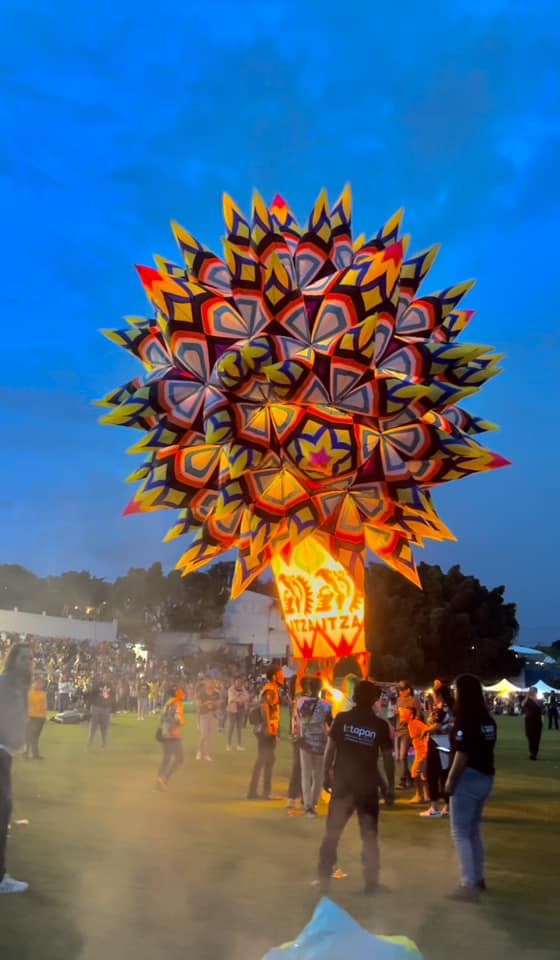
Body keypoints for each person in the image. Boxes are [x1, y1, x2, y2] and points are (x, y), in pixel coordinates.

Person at [318, 680, 394, 895]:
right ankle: (372, 884)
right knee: (369, 835)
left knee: (332, 832)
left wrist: (326, 774)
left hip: (343, 784)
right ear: (374, 699)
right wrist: (389, 786)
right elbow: (387, 758)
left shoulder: (342, 719)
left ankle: (323, 878)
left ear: (354, 696)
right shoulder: (379, 725)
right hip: (367, 787)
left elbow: (330, 749)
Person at [446, 673, 497, 901]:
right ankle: (478, 877)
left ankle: (468, 883)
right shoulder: (487, 720)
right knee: (473, 830)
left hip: (469, 777)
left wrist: (450, 781)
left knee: (460, 832)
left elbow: (462, 754)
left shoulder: (465, 720)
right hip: (486, 777)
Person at [0, 642, 33, 894]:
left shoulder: (19, 685)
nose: (28, 663)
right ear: (13, 660)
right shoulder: (5, 683)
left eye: (31, 659)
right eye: (23, 658)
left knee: (5, 811)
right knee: (2, 813)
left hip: (6, 752)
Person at [296, 676, 333, 817]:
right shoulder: (326, 705)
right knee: (318, 776)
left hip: (304, 742)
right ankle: (313, 805)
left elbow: (299, 721)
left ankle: (307, 806)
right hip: (320, 743)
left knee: (305, 775)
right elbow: (331, 723)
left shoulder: (300, 703)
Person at [421, 684, 455, 818]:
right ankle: (447, 806)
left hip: (438, 743)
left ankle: (435, 807)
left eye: (434, 695)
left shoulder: (443, 707)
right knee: (444, 774)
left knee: (433, 775)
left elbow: (437, 724)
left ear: (439, 695)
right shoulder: (448, 707)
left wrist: (425, 730)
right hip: (445, 742)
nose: (433, 698)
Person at [247, 686, 280, 801]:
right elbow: (268, 722)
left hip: (263, 736)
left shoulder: (265, 705)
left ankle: (253, 792)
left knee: (262, 763)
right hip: (266, 737)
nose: (270, 697)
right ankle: (265, 792)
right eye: (269, 695)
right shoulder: (265, 706)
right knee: (267, 763)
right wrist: (274, 735)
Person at [156, 688, 186, 790]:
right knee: (178, 759)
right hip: (172, 734)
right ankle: (163, 779)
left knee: (167, 759)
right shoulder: (176, 704)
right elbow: (177, 719)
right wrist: (178, 722)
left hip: (166, 734)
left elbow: (161, 718)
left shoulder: (168, 703)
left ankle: (160, 782)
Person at [395, 681, 420, 789]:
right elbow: (398, 712)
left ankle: (403, 780)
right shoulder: (399, 700)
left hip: (407, 730)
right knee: (400, 757)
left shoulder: (414, 700)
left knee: (403, 756)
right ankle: (409, 778)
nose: (400, 692)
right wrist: (396, 712)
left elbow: (418, 715)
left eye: (402, 689)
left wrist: (411, 720)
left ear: (408, 690)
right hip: (398, 730)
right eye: (399, 690)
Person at [403, 706, 429, 804]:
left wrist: (426, 750)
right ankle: (427, 795)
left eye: (404, 712)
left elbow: (427, 732)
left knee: (415, 772)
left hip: (422, 751)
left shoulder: (415, 723)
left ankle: (420, 795)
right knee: (423, 774)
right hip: (419, 751)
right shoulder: (410, 724)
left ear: (410, 715)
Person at [87, 674, 115, 749]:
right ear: (102, 678)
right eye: (104, 677)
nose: (106, 678)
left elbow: (113, 698)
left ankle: (104, 744)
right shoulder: (97, 685)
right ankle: (89, 744)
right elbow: (91, 695)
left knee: (104, 728)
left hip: (106, 709)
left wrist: (113, 710)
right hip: (96, 708)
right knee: (93, 727)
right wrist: (88, 707)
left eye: (107, 677)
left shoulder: (111, 686)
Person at [196, 678, 221, 761]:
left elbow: (218, 704)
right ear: (207, 684)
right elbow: (198, 705)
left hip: (213, 715)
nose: (211, 684)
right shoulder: (201, 693)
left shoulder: (216, 693)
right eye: (210, 683)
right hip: (204, 715)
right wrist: (206, 703)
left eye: (213, 683)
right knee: (204, 734)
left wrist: (214, 703)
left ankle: (207, 754)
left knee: (210, 735)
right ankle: (199, 751)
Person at [25, 676, 48, 760]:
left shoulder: (43, 694)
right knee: (30, 736)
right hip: (32, 716)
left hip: (41, 717)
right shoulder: (29, 693)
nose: (40, 685)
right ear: (33, 683)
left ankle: (34, 754)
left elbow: (44, 706)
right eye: (38, 683)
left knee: (35, 737)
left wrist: (45, 715)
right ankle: (27, 753)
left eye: (41, 683)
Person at [226, 677, 250, 751]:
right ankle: (228, 744)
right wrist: (241, 699)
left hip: (241, 710)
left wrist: (239, 699)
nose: (239, 683)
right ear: (234, 682)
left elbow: (248, 697)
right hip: (232, 710)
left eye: (240, 682)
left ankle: (239, 745)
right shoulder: (231, 689)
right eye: (237, 682)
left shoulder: (243, 689)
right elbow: (231, 699)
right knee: (231, 727)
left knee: (239, 728)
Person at [521, 687, 543, 760]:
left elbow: (539, 705)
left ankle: (534, 753)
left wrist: (533, 697)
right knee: (529, 737)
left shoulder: (539, 698)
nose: (530, 692)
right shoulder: (527, 699)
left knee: (536, 738)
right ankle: (531, 752)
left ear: (536, 692)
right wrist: (527, 696)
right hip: (529, 721)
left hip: (537, 722)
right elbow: (522, 704)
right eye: (530, 690)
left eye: (532, 691)